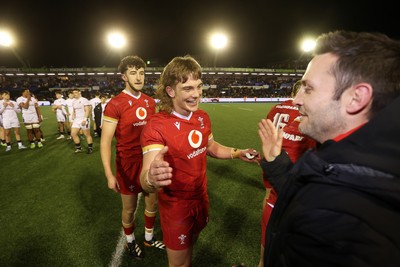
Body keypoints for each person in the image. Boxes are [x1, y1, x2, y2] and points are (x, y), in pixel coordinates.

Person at [258, 30, 400, 267]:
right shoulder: (355, 159)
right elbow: (311, 195)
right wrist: (277, 165)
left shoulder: (345, 222)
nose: (296, 100)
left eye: (308, 88)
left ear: (356, 98)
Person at [139, 55, 259, 267]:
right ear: (170, 91)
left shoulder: (202, 117)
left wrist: (237, 153)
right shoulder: (156, 126)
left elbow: (211, 146)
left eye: (199, 86)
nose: (196, 94)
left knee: (190, 249)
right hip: (176, 207)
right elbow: (145, 177)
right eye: (187, 88)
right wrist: (150, 177)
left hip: (201, 199)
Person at [100, 55, 165, 260]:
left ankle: (148, 237)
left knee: (151, 203)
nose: (138, 77)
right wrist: (110, 175)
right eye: (133, 73)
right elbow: (105, 142)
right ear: (124, 76)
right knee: (129, 210)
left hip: (149, 162)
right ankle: (129, 241)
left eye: (141, 73)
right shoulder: (115, 104)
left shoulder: (149, 102)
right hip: (127, 165)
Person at [256, 88, 316, 267]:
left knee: (270, 195)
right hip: (283, 169)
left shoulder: (278, 109)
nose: (297, 101)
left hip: (275, 160)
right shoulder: (308, 126)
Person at [70, 88, 93, 153]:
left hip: (84, 119)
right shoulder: (74, 101)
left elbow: (87, 110)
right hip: (76, 120)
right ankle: (79, 148)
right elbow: (74, 112)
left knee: (87, 135)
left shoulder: (84, 100)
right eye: (73, 93)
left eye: (76, 92)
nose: (74, 94)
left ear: (79, 92)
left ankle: (90, 148)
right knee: (73, 134)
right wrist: (72, 120)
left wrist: (85, 119)